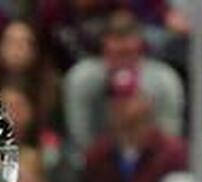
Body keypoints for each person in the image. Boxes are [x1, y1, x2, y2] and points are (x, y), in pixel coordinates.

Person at [61, 8, 184, 152]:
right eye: (117, 54)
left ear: (140, 46)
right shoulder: (83, 78)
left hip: (152, 160)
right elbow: (80, 134)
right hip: (96, 160)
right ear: (104, 47)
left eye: (129, 53)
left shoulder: (163, 78)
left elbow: (170, 134)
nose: (123, 61)